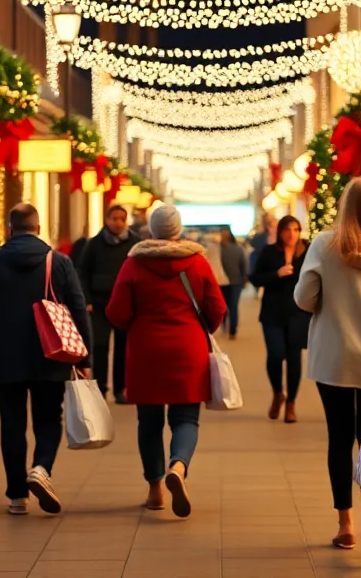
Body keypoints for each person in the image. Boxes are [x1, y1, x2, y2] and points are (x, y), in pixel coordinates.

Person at [295, 177, 361, 559]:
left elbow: (304, 298)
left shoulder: (325, 245)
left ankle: (344, 524)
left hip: (333, 358)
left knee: (339, 440)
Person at [0, 203, 94, 516]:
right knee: (49, 419)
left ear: (10, 228)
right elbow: (78, 309)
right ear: (38, 228)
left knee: (11, 424)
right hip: (50, 354)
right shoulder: (60, 263)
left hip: (2, 358)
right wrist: (84, 355)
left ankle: (16, 496)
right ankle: (40, 468)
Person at [105, 203, 226, 519]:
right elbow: (217, 308)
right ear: (178, 229)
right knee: (186, 419)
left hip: (145, 351)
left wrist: (136, 323)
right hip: (189, 348)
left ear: (152, 230)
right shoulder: (197, 263)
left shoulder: (133, 265)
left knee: (149, 421)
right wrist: (200, 332)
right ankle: (178, 466)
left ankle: (155, 489)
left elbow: (116, 312)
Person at [77, 204, 141, 403]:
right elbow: (83, 271)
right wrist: (86, 299)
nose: (118, 223)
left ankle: (121, 390)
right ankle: (101, 389)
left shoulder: (135, 244)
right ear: (107, 220)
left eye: (122, 219)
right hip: (99, 303)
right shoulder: (94, 244)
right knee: (100, 346)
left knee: (123, 347)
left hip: (125, 303)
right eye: (114, 219)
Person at [250, 215, 309, 423]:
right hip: (272, 313)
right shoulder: (270, 252)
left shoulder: (308, 252)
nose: (291, 234)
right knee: (275, 355)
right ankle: (278, 393)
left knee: (294, 359)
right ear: (280, 232)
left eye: (295, 229)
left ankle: (291, 403)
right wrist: (277, 273)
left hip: (297, 313)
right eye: (287, 230)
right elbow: (254, 278)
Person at [218, 229, 249, 339]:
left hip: (234, 282)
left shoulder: (237, 248)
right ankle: (226, 326)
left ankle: (232, 330)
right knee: (225, 306)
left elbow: (244, 264)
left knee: (232, 306)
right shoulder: (218, 249)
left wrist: (244, 278)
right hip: (222, 282)